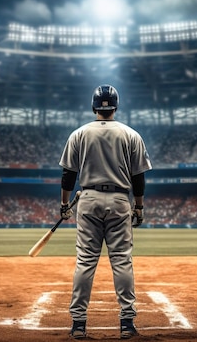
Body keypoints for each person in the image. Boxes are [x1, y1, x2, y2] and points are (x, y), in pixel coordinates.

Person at [58, 84, 152, 339]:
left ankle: (78, 324)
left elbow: (68, 175)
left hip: (87, 199)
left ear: (93, 106)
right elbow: (138, 178)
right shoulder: (131, 134)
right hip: (121, 200)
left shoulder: (79, 134)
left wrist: (65, 205)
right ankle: (127, 323)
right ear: (116, 106)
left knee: (86, 261)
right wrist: (139, 207)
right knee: (121, 260)